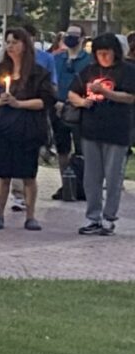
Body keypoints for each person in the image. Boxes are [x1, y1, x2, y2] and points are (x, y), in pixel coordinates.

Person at [0, 28, 55, 232]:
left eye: (15, 42)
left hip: (27, 129)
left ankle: (30, 216)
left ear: (24, 45)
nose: (10, 45)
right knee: (3, 174)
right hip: (2, 128)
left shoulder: (38, 73)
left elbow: (46, 100)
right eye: (8, 42)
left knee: (28, 175)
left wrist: (19, 103)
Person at [68, 34, 135, 236]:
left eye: (106, 53)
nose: (103, 57)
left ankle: (109, 217)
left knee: (114, 176)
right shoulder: (89, 70)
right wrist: (80, 102)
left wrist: (106, 93)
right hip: (90, 130)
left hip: (117, 130)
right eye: (99, 53)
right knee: (91, 177)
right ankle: (93, 217)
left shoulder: (127, 71)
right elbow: (73, 92)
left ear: (115, 52)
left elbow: (130, 97)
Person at [50, 24, 92, 199]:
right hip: (58, 108)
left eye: (75, 35)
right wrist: (56, 101)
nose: (71, 38)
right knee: (62, 149)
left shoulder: (88, 60)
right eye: (68, 34)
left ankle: (83, 185)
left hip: (79, 109)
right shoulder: (57, 58)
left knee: (83, 149)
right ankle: (66, 185)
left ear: (82, 38)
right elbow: (51, 80)